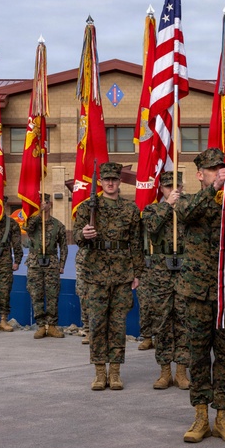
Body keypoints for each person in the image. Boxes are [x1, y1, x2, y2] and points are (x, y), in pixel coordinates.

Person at [175, 148, 225, 442]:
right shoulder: (189, 201)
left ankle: (223, 418)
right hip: (197, 294)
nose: (219, 173)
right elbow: (185, 214)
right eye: (213, 169)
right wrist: (213, 190)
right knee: (199, 357)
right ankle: (200, 416)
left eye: (221, 168)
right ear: (200, 174)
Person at [74, 162, 143, 391]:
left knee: (117, 325)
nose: (111, 183)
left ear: (119, 181)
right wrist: (83, 234)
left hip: (122, 273)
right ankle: (99, 372)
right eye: (106, 180)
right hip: (95, 273)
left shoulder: (130, 209)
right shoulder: (88, 207)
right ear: (101, 182)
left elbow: (136, 243)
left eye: (114, 179)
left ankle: (115, 372)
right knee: (97, 324)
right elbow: (77, 235)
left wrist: (137, 273)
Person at [141, 170, 191, 390]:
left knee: (184, 321)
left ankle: (181, 371)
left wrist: (178, 205)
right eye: (169, 186)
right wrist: (167, 205)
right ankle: (164, 372)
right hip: (160, 273)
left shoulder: (189, 207)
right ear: (161, 189)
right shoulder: (153, 209)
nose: (173, 190)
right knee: (161, 322)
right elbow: (151, 227)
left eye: (176, 186)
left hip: (185, 271)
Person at [25, 199, 68, 339]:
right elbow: (27, 228)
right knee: (35, 294)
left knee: (52, 295)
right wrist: (39, 214)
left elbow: (64, 247)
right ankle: (41, 325)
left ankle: (52, 326)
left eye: (47, 202)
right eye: (41, 202)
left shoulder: (58, 225)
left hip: (52, 263)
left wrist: (62, 265)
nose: (44, 204)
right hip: (35, 263)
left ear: (51, 205)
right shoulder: (34, 222)